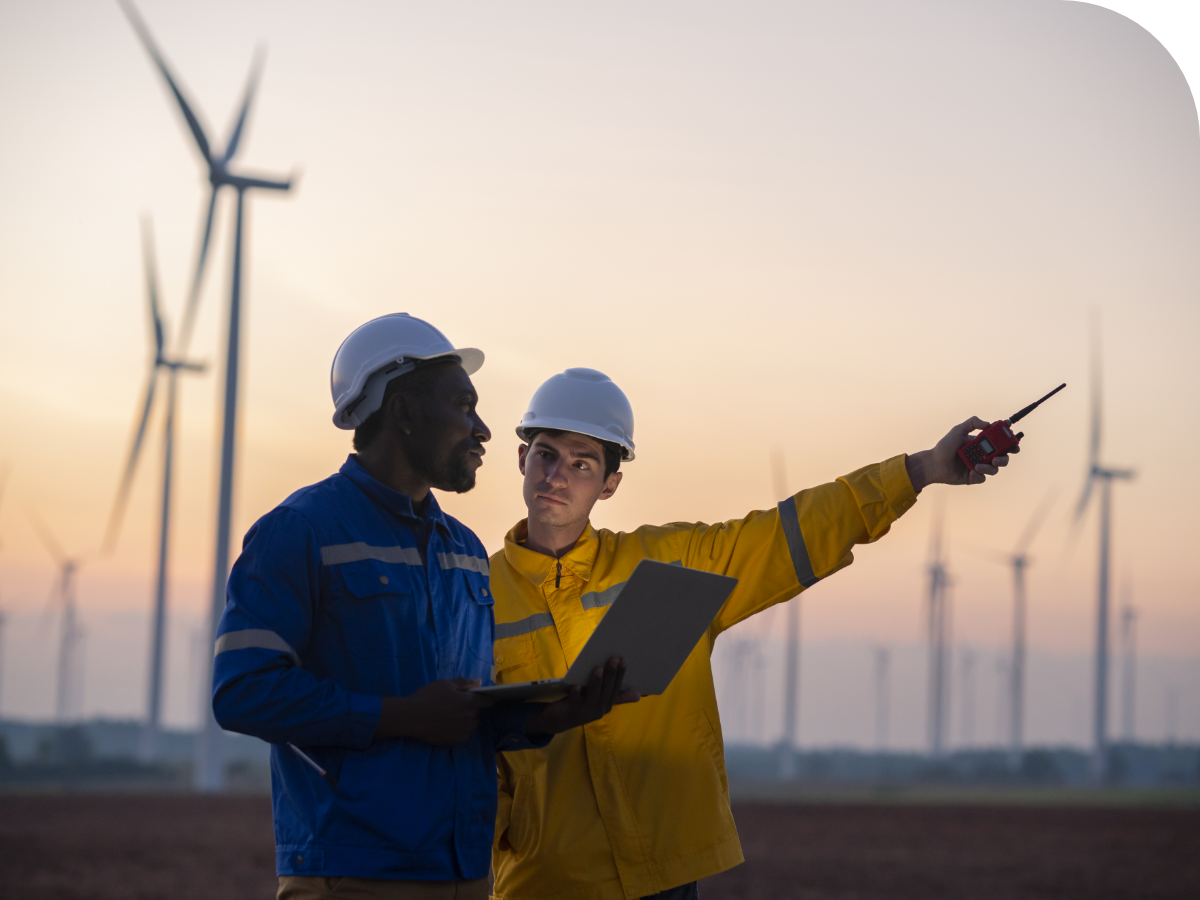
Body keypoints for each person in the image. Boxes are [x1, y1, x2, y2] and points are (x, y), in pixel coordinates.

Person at [487, 367, 1017, 900]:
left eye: (582, 463)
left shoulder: (670, 566)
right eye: (546, 454)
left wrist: (920, 470)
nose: (556, 476)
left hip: (662, 872)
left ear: (610, 482)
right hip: (543, 877)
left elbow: (795, 530)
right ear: (521, 459)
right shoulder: (475, 593)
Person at [211, 318, 635, 900]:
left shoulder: (463, 549)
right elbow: (242, 691)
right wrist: (398, 715)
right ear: (405, 410)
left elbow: (459, 712)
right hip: (352, 873)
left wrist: (545, 718)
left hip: (463, 871)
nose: (483, 430)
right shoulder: (300, 531)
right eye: (464, 405)